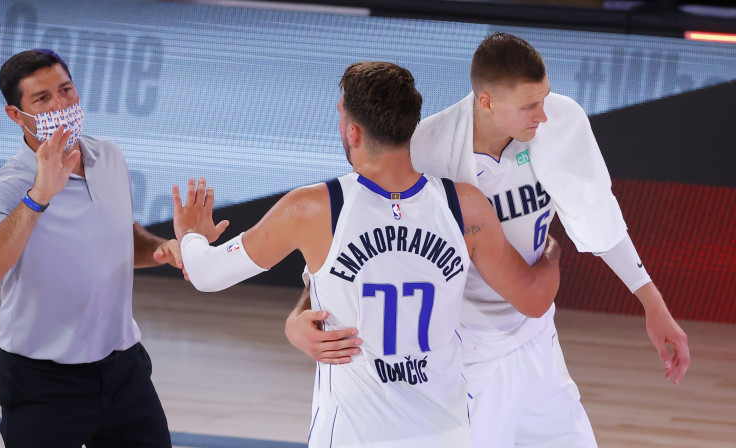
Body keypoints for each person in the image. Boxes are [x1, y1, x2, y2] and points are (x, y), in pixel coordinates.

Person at [286, 33, 691, 447]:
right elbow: (350, 241)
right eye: (529, 106)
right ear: (487, 103)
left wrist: (653, 305)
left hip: (536, 337)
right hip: (464, 351)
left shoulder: (560, 121)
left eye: (544, 97)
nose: (543, 115)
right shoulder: (426, 150)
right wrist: (300, 316)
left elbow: (598, 218)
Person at [172, 61, 562, 447]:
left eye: (340, 116)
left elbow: (207, 274)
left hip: (353, 435)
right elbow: (534, 298)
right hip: (445, 433)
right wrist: (551, 256)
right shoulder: (466, 207)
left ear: (353, 132)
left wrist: (192, 237)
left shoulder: (311, 209)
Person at [0, 49, 180, 448]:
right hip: (43, 383)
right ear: (16, 115)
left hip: (124, 371)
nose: (61, 104)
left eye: (66, 90)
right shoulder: (10, 184)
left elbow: (121, 232)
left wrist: (163, 249)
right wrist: (38, 197)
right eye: (42, 99)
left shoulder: (109, 156)